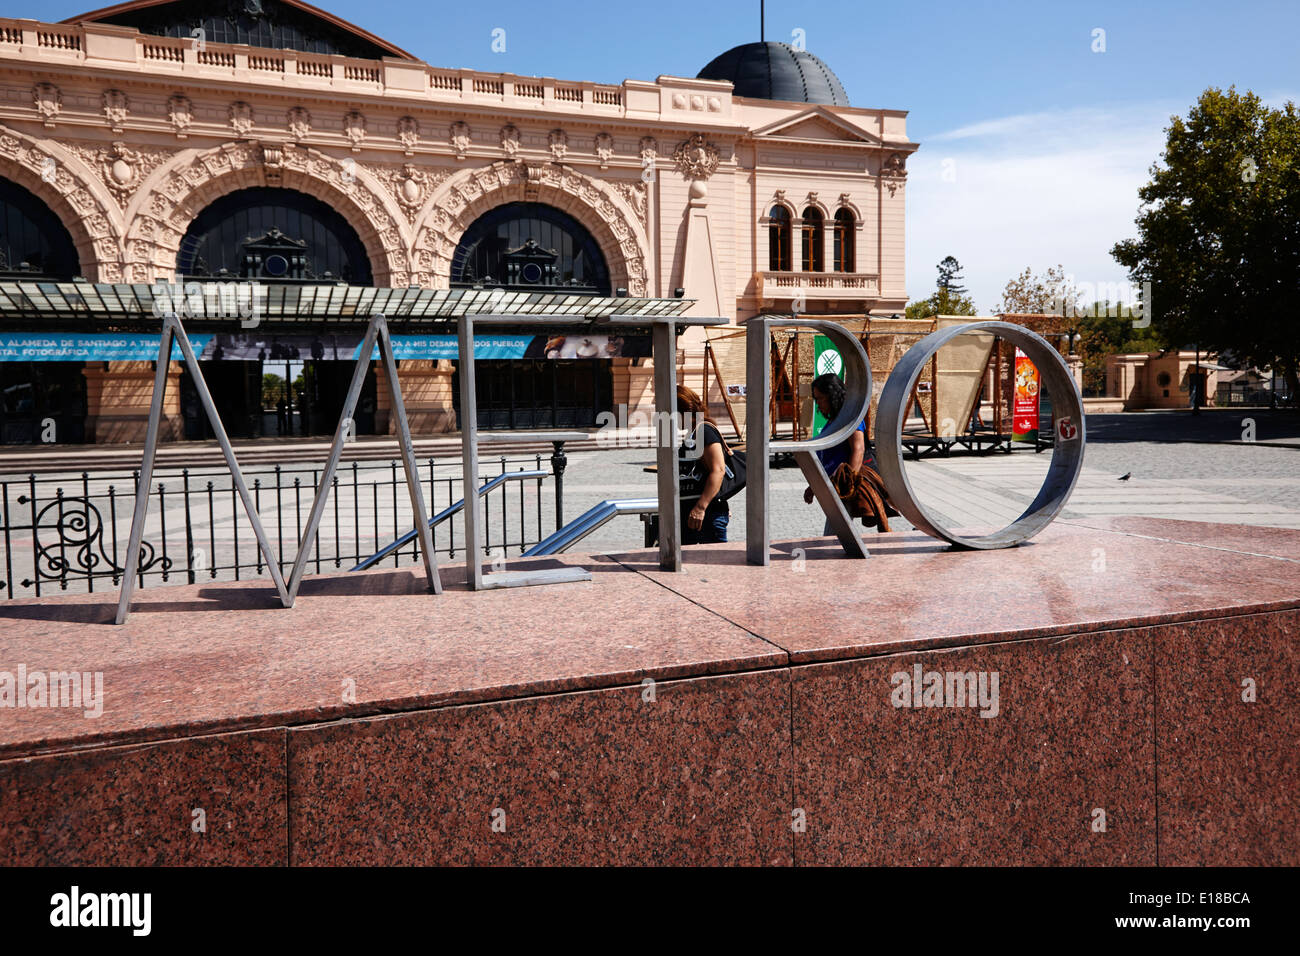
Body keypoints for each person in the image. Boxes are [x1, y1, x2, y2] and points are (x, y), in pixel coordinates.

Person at [803, 372, 871, 534]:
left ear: (832, 396)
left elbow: (858, 448)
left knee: (834, 536)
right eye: (816, 398)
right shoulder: (834, 420)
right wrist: (814, 486)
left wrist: (849, 483)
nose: (818, 404)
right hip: (833, 487)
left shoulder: (850, 418)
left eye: (820, 398)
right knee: (835, 535)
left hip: (843, 487)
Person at [676, 384, 731, 544]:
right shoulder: (692, 434)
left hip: (706, 515)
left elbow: (718, 470)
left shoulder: (704, 431)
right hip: (694, 515)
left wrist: (701, 507)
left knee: (712, 564)